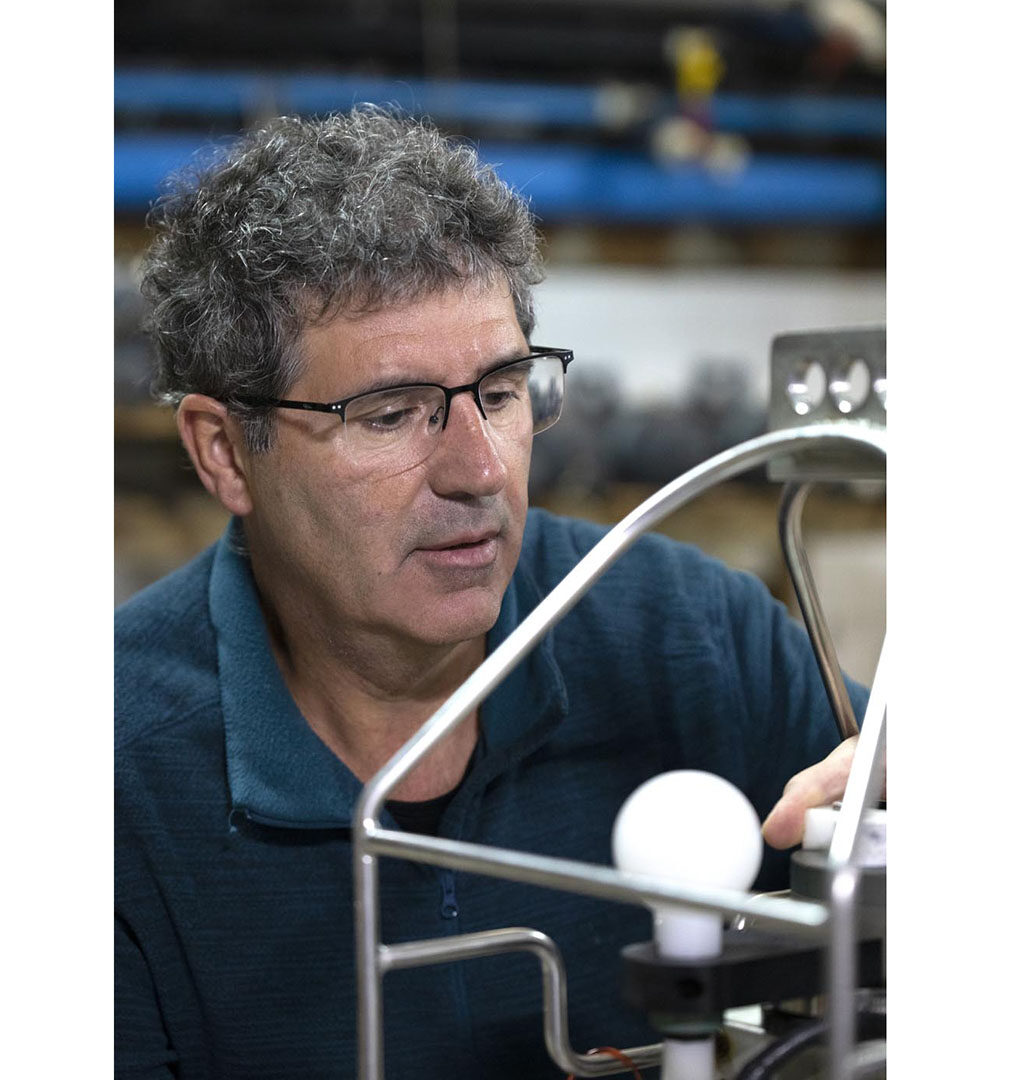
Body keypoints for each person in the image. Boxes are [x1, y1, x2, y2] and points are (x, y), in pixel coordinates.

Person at [115, 106, 870, 1080]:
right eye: (391, 414)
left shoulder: (688, 637)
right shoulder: (115, 781)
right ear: (225, 451)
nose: (479, 471)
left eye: (503, 391)